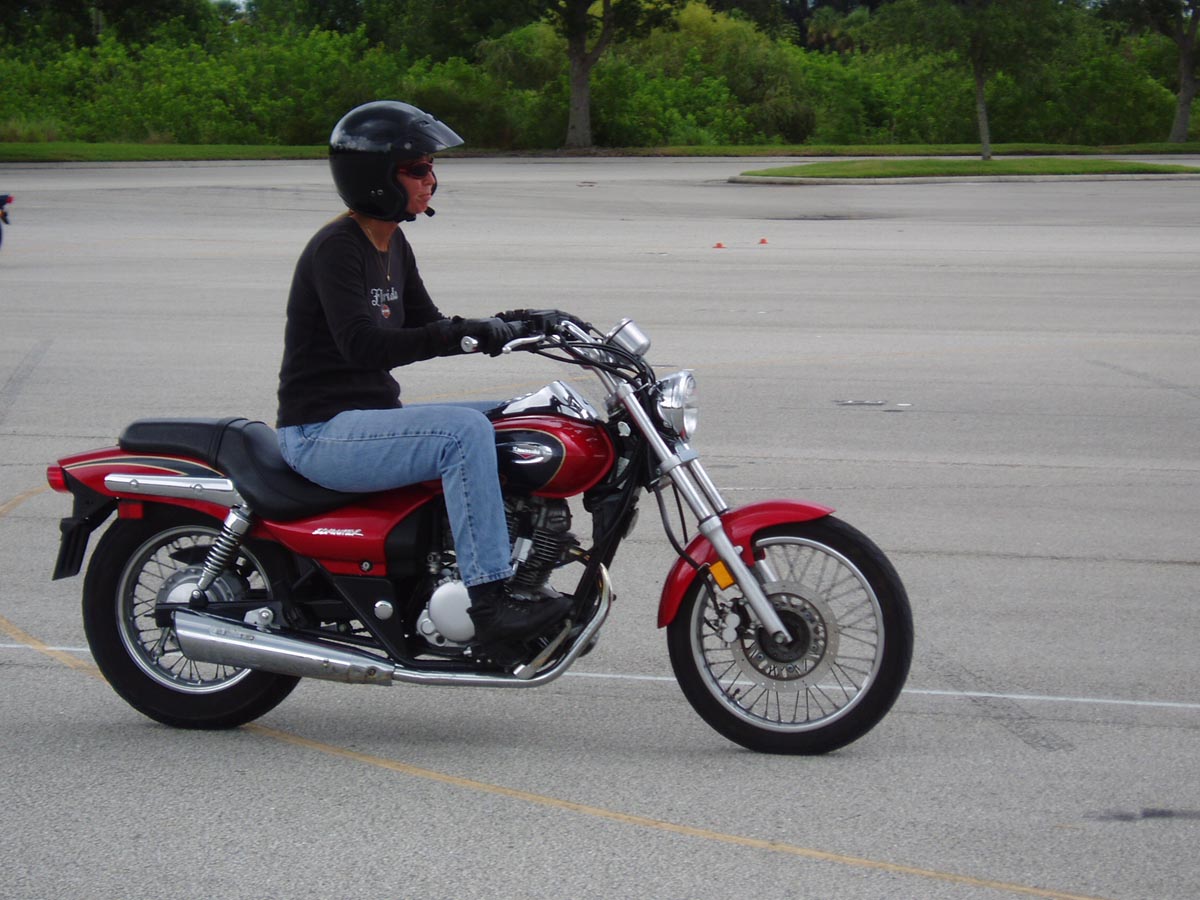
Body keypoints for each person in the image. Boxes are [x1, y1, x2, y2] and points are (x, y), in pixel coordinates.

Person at [275, 100, 570, 652]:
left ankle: (528, 562)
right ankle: (489, 601)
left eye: (431, 168)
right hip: (320, 432)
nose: (430, 180)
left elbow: (429, 325)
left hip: (368, 421)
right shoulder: (337, 248)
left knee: (523, 413)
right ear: (375, 176)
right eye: (417, 169)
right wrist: (463, 333)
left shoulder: (393, 242)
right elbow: (364, 345)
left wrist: (518, 323)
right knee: (463, 434)